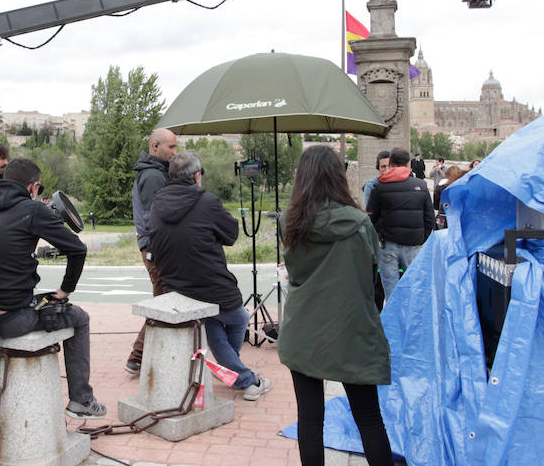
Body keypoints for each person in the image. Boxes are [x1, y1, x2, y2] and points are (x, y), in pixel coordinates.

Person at [0, 158, 105, 419]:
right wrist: (65, 290)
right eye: (38, 189)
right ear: (33, 187)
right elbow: (78, 249)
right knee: (80, 319)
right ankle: (82, 400)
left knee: (34, 300)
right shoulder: (32, 210)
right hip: (12, 319)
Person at [278, 146, 393, 466]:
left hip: (304, 329)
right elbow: (372, 279)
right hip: (351, 327)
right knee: (369, 419)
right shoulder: (358, 223)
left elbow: (296, 273)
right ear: (338, 176)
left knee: (310, 420)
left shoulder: (291, 222)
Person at [147, 151, 272, 401]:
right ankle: (244, 378)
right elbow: (231, 234)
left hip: (174, 285)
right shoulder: (207, 202)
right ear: (196, 176)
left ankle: (231, 368)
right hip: (210, 286)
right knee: (238, 317)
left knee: (214, 321)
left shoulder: (157, 202)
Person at [125, 127, 178, 375]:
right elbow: (153, 218)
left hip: (154, 247)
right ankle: (137, 358)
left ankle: (140, 356)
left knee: (164, 300)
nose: (175, 152)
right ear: (155, 146)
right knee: (163, 303)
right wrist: (159, 252)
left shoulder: (156, 172)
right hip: (156, 249)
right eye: (172, 147)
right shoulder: (153, 176)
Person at [366, 147, 434, 299]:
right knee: (414, 291)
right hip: (413, 245)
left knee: (391, 291)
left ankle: (393, 322)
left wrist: (380, 235)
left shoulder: (379, 187)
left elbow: (371, 217)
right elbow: (429, 218)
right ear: (408, 163)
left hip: (388, 245)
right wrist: (420, 238)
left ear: (390, 163)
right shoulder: (421, 186)